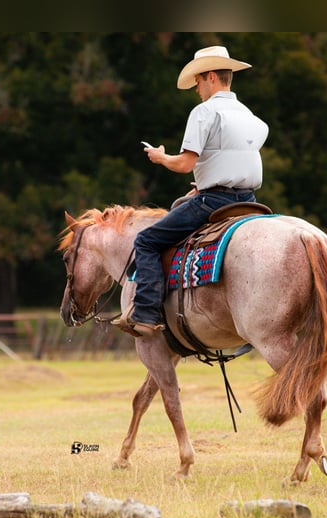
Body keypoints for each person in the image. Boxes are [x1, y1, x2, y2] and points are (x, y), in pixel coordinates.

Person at [115, 45, 269, 337]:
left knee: (147, 241)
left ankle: (146, 314)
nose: (197, 89)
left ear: (210, 76)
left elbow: (185, 164)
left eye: (198, 82)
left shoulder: (204, 112)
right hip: (249, 200)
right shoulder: (250, 116)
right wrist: (211, 175)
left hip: (214, 201)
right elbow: (234, 155)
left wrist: (161, 157)